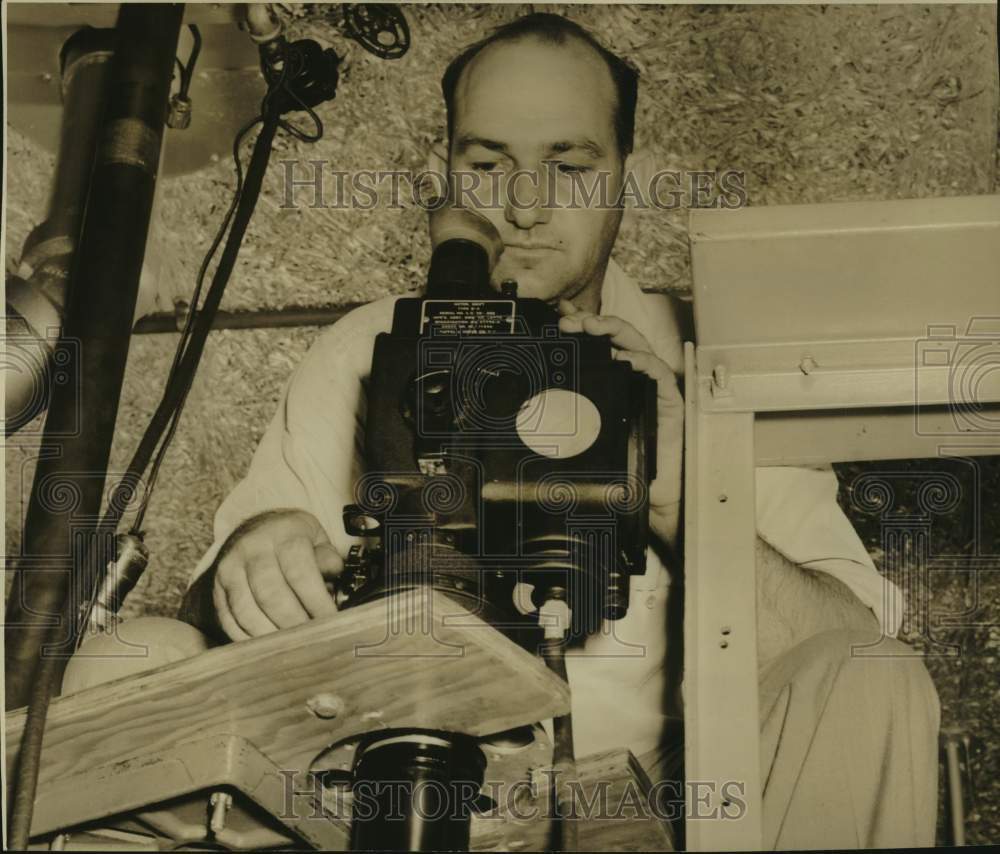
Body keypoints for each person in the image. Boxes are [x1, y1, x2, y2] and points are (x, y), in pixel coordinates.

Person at [166, 12, 936, 849]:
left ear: (622, 176)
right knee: (132, 655)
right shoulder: (367, 349)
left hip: (659, 810)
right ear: (447, 175)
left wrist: (687, 496)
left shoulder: (708, 364)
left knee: (872, 676)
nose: (525, 207)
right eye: (489, 163)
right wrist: (256, 552)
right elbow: (210, 620)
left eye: (568, 166)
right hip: (389, 791)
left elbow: (852, 655)